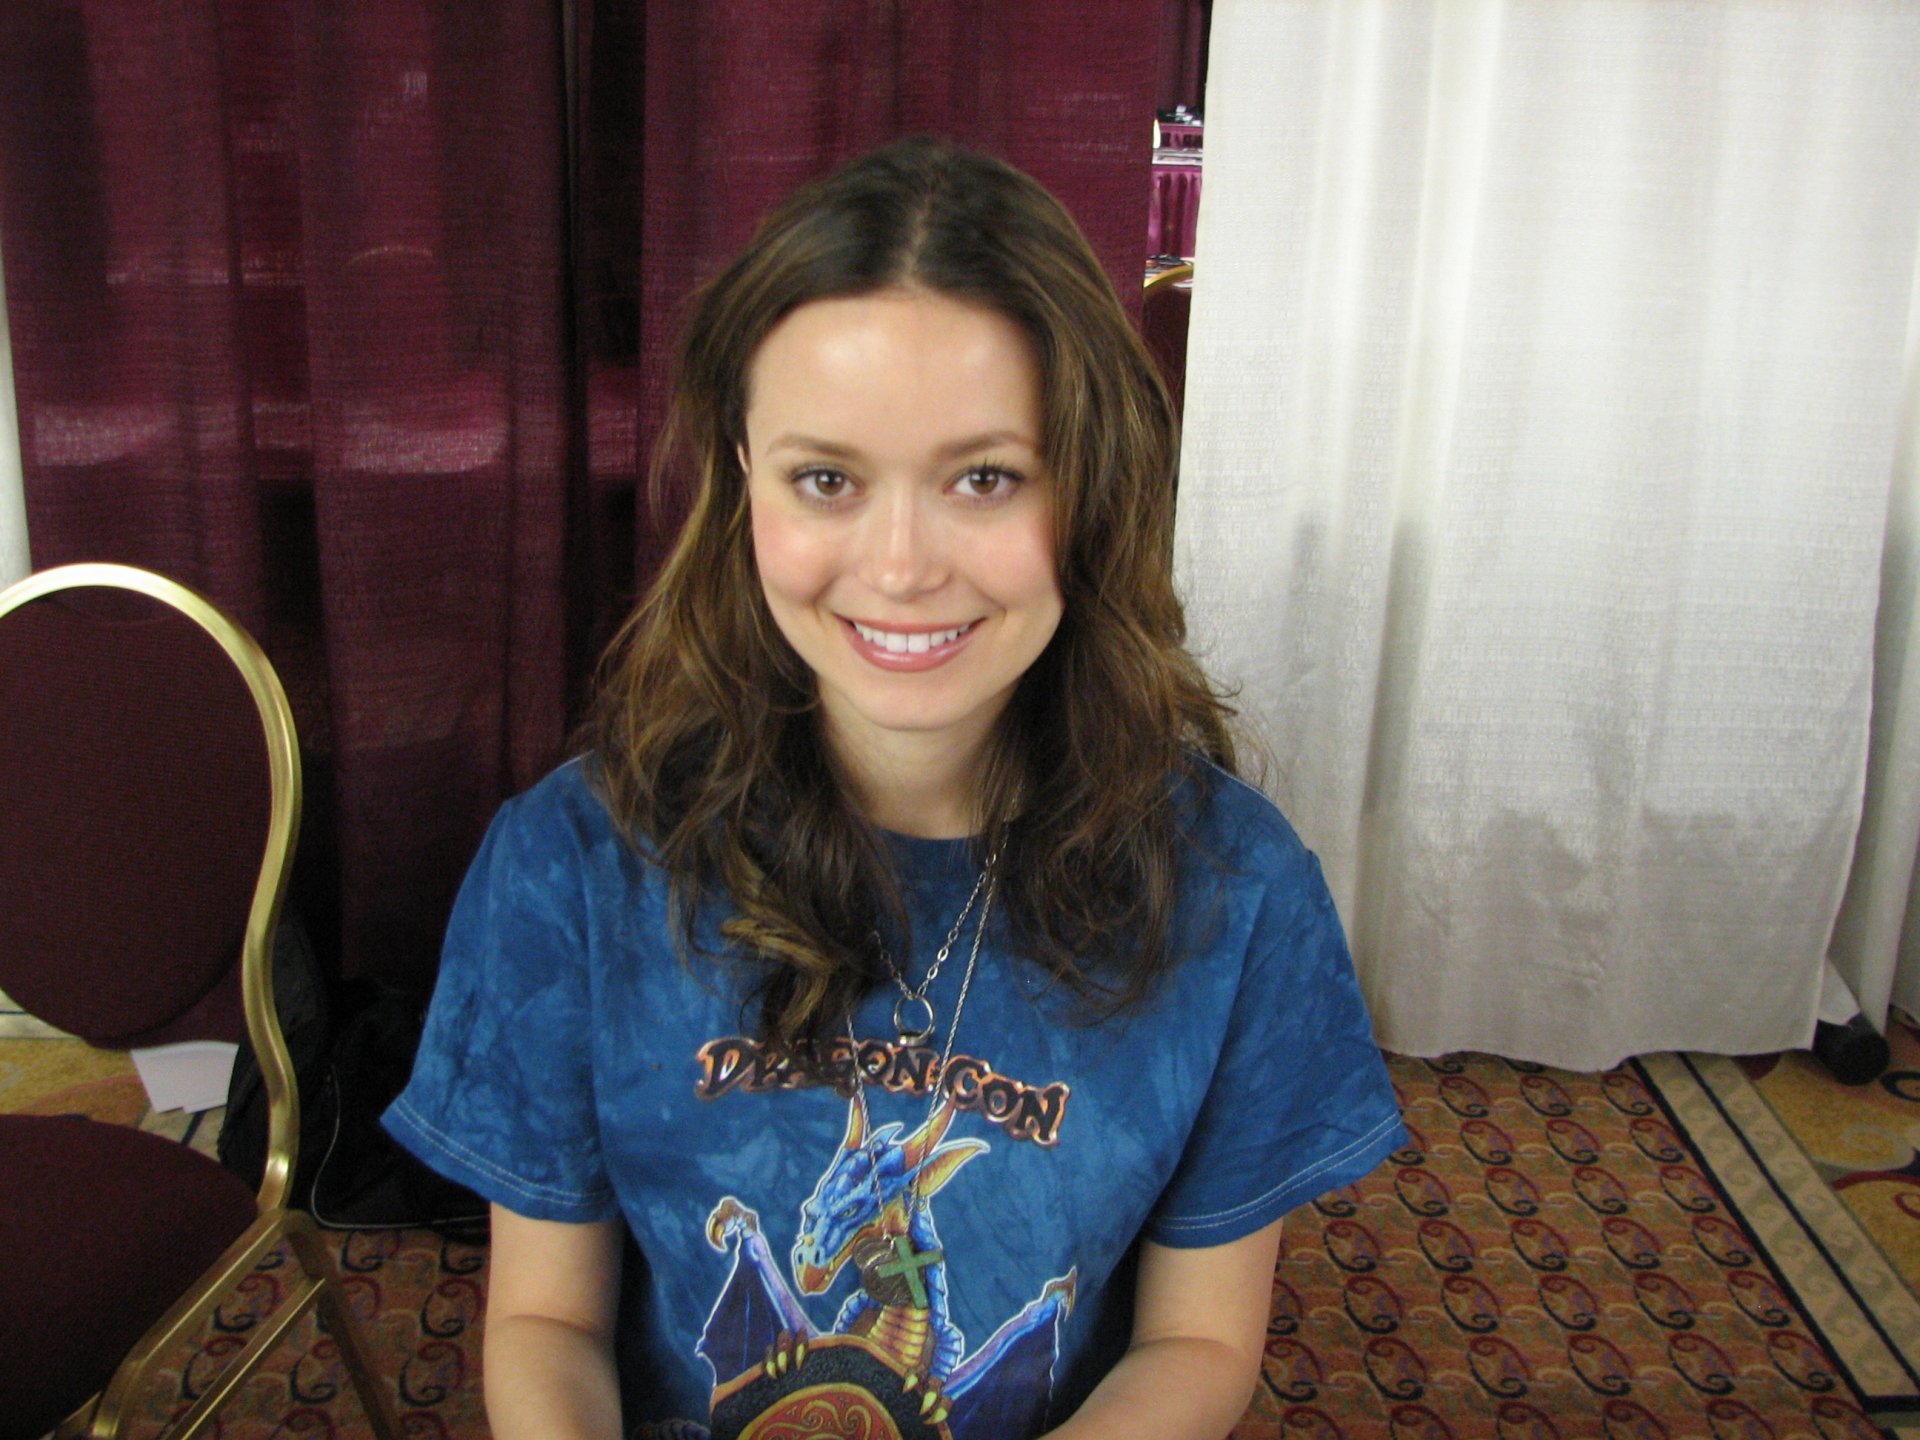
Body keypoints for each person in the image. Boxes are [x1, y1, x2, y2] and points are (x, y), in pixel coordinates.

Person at [384, 134, 1406, 1440]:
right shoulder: (568, 866)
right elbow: (545, 1321)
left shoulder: (1239, 894)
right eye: (828, 480)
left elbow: (1200, 1342)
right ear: (740, 482)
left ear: (1092, 488)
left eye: (985, 478)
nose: (904, 564)